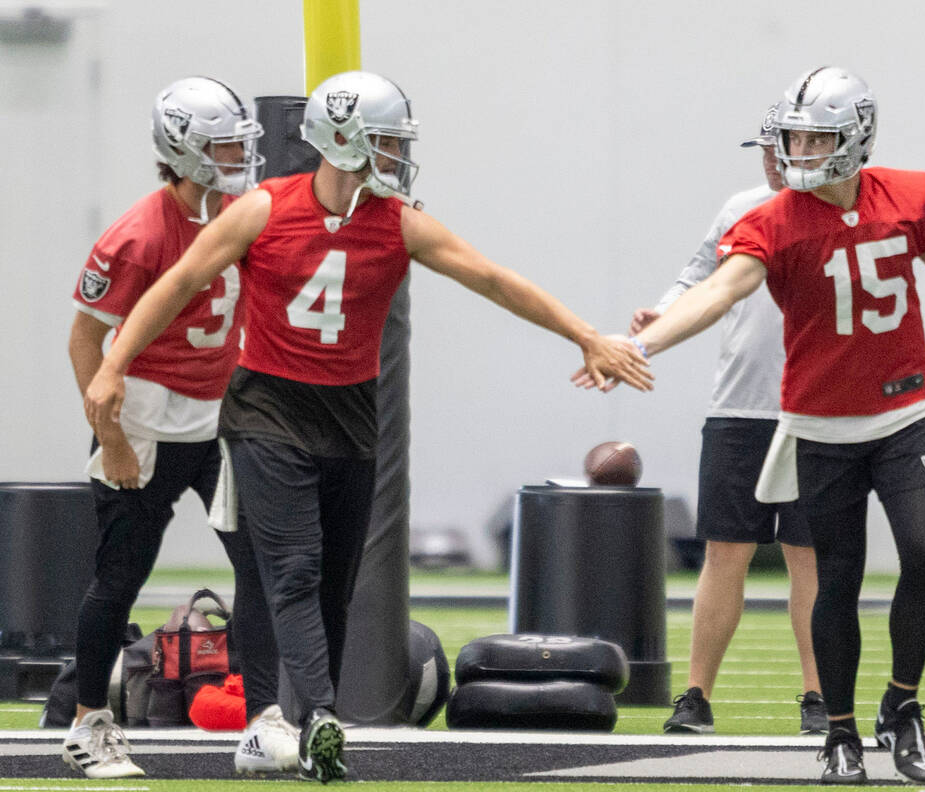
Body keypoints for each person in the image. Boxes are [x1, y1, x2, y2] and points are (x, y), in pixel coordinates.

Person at [83, 70, 652, 783]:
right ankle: (319, 716)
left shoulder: (399, 221)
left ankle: (292, 721)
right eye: (382, 139)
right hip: (267, 409)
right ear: (342, 140)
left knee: (334, 584)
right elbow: (176, 286)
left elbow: (494, 279)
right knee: (293, 566)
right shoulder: (262, 209)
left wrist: (584, 335)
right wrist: (115, 365)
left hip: (350, 412)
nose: (393, 153)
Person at [584, 66, 925, 785]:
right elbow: (719, 291)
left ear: (856, 136)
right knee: (837, 578)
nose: (800, 149)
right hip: (822, 425)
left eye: (816, 136)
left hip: (904, 414)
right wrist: (638, 346)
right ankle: (839, 732)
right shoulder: (771, 218)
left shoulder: (909, 194)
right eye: (794, 134)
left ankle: (903, 706)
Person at [63, 77, 296, 779]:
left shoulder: (245, 210)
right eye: (222, 144)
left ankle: (262, 721)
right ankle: (87, 725)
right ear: (183, 151)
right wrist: (112, 438)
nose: (236, 155)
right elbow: (84, 342)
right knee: (120, 575)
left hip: (225, 411)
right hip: (148, 414)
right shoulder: (137, 235)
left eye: (239, 142)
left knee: (257, 564)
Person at [635, 105, 826, 736]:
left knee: (810, 557)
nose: (771, 159)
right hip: (740, 405)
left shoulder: (839, 210)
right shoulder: (742, 206)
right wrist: (658, 317)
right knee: (725, 552)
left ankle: (819, 695)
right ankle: (695, 695)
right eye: (767, 147)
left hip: (815, 407)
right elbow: (697, 276)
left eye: (783, 145)